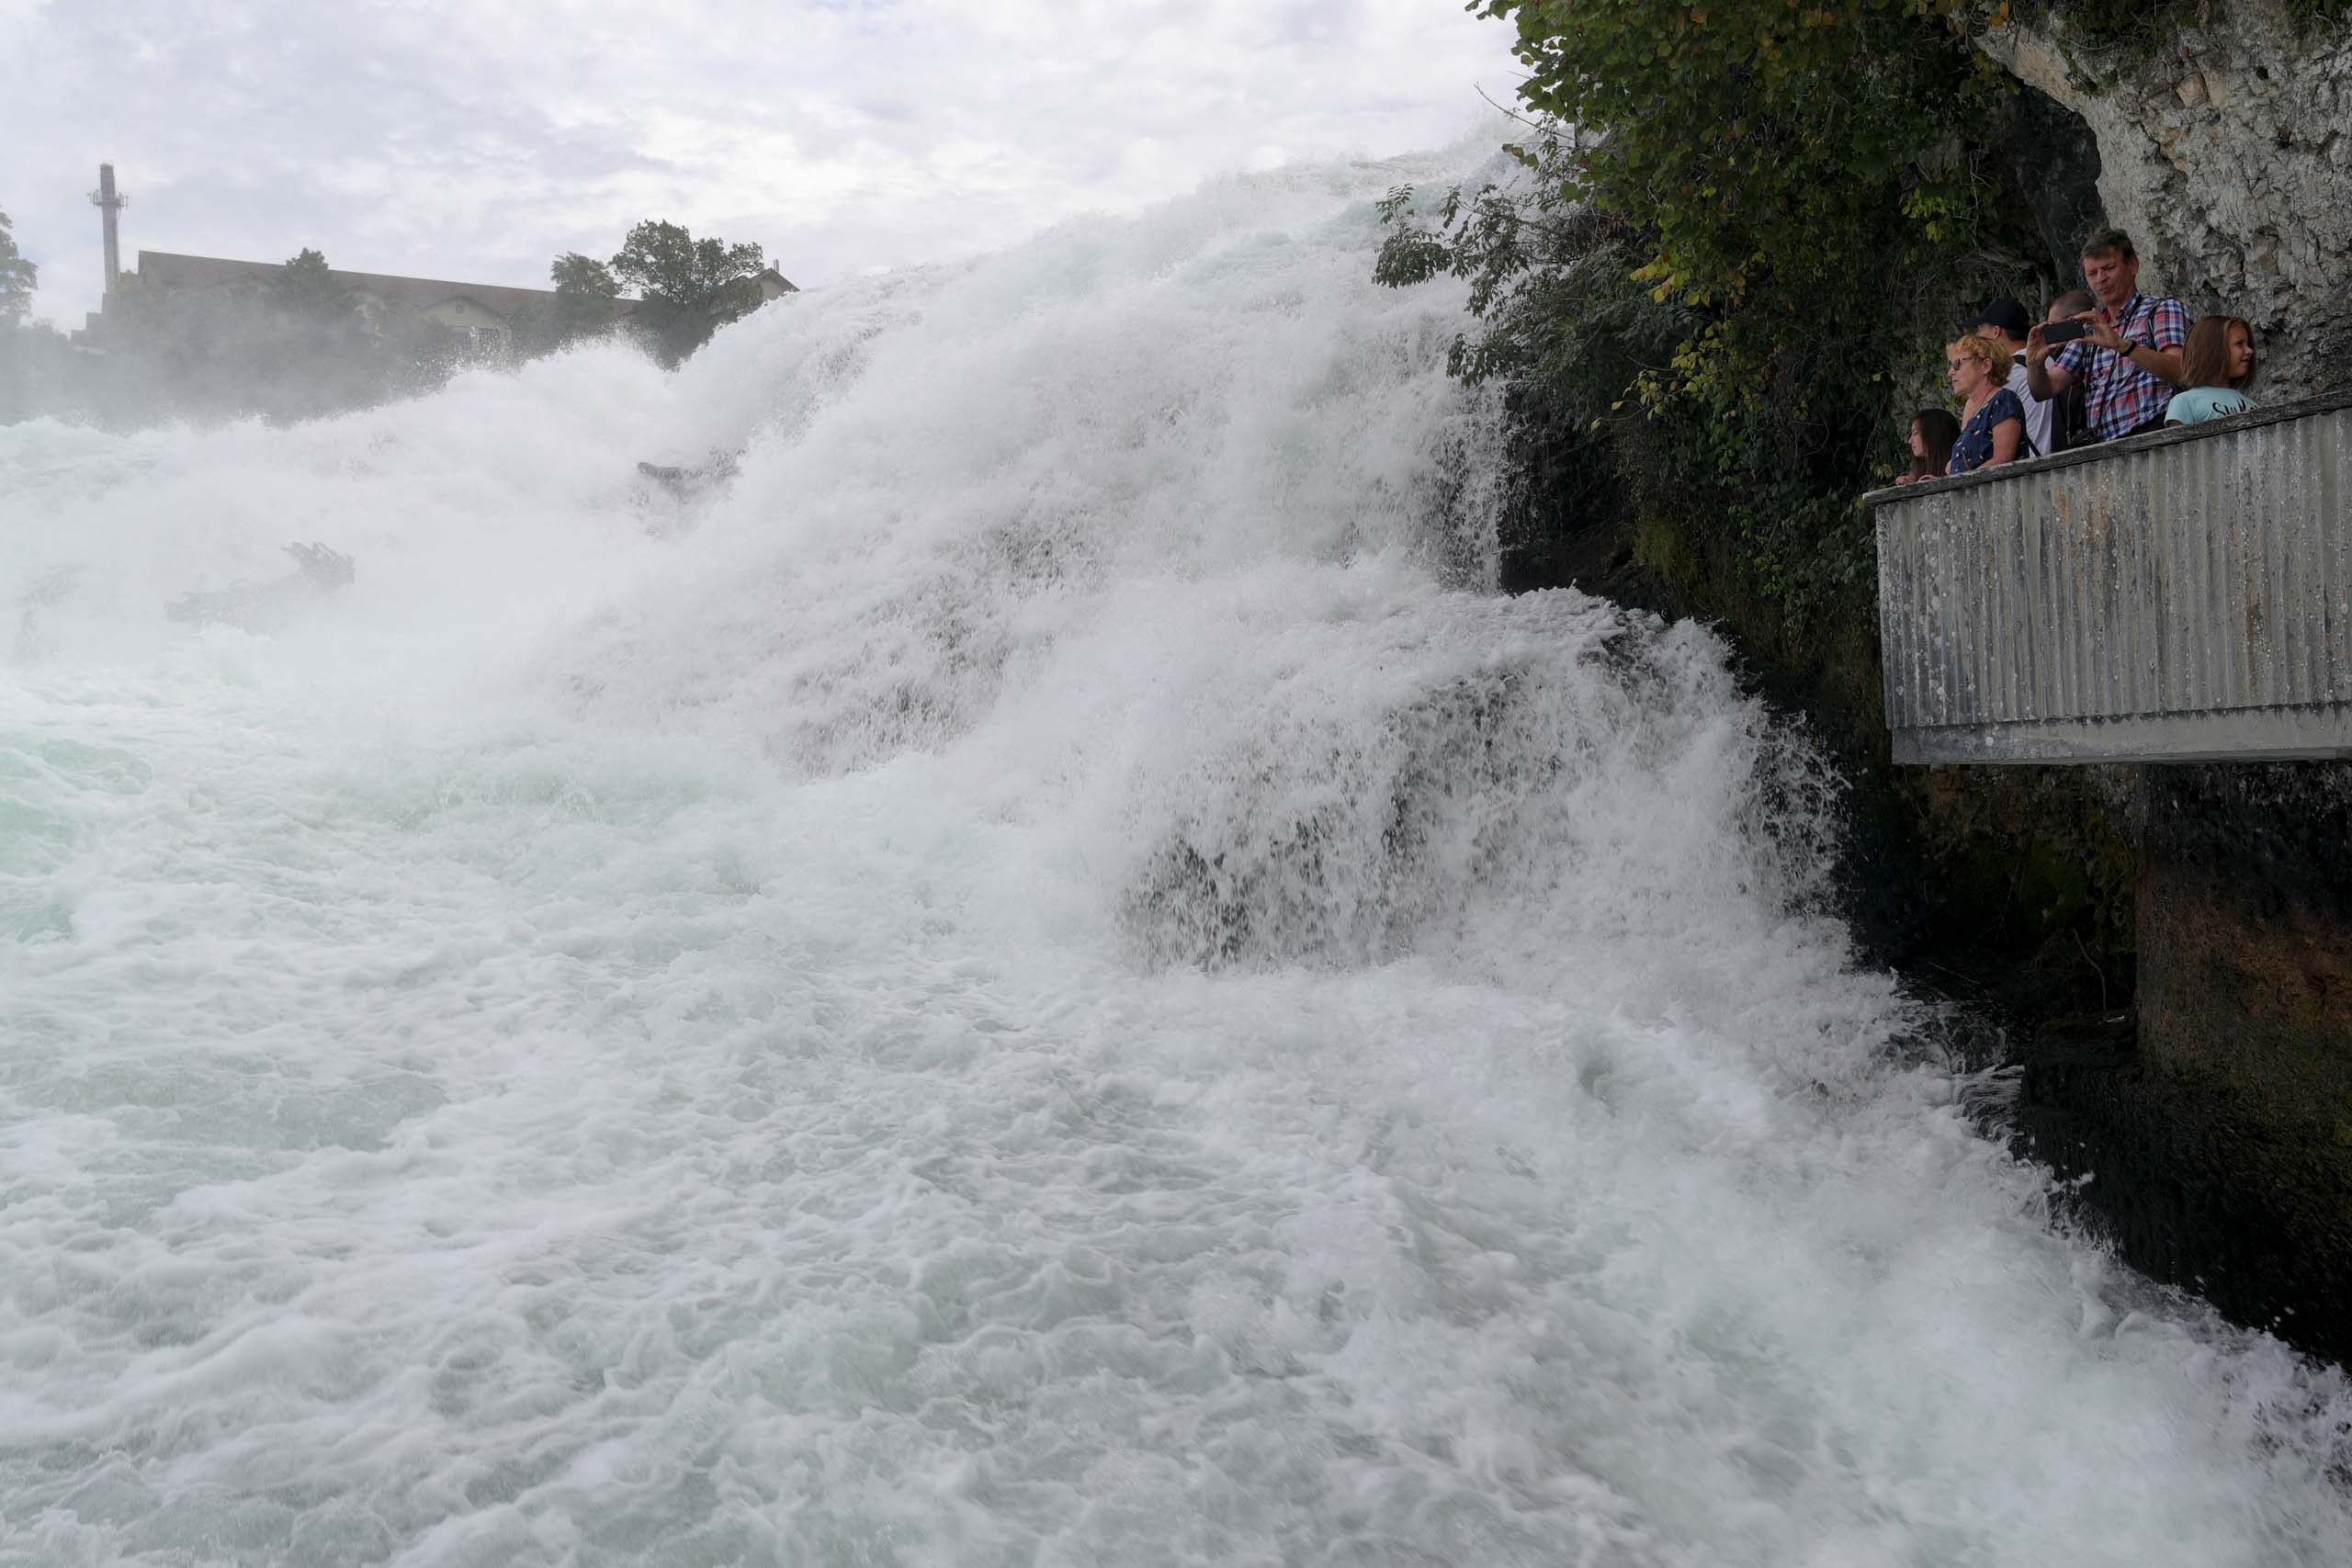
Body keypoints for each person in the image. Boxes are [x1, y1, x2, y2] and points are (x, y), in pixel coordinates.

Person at [2026, 230, 2188, 444]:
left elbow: (2180, 370)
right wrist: (2034, 364)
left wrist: (2124, 346)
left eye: (2109, 268)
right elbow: (2045, 389)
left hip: (2155, 439)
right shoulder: (2089, 328)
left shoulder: (2161, 310)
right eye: (2092, 273)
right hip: (2106, 451)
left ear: (2133, 266)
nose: (2101, 279)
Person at [1972, 299, 2052, 459]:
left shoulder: (2007, 374)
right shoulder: (2048, 359)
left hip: (2031, 467)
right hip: (2060, 453)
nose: (1977, 336)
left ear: (1996, 332)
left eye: (1980, 329)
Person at [1944, 334, 2024, 476]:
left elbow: (2003, 460)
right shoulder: (1972, 407)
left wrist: (1961, 481)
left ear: (1985, 366)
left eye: (1957, 364)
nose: (1951, 372)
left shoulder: (2003, 400)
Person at [2164, 315, 2259, 426]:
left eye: (2248, 344)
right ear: (2213, 350)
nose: (2249, 350)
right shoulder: (2185, 402)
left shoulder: (2253, 406)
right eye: (2239, 344)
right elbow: (2177, 443)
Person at [2041, 291, 2094, 452]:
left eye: (2052, 325)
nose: (2049, 332)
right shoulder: (2056, 357)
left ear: (2072, 321)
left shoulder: (2083, 345)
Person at [1895, 409, 1961, 484]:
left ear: (1932, 434)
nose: (1910, 441)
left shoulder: (1957, 465)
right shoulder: (1920, 470)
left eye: (1915, 433)